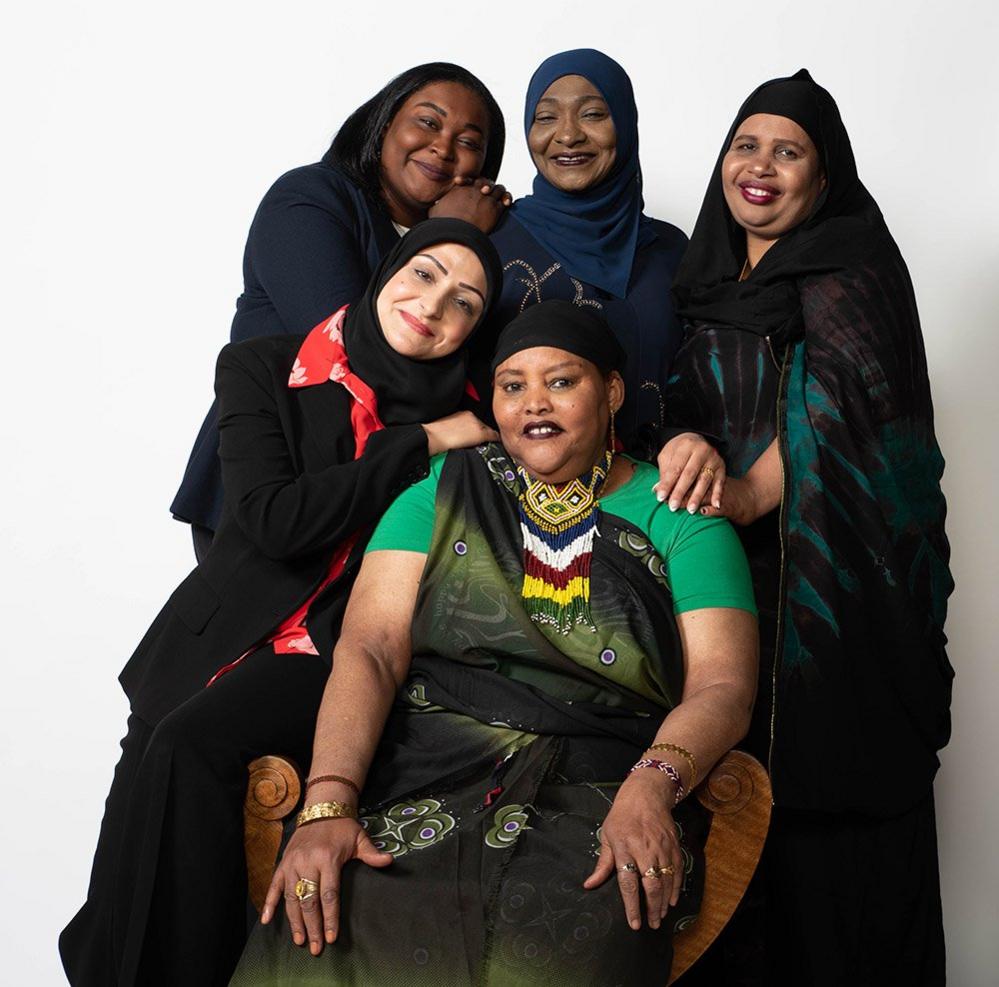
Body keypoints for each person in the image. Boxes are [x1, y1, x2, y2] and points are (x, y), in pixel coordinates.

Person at [229, 300, 759, 986]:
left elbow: (723, 686)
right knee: (328, 924)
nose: (533, 403)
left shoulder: (680, 511)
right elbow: (369, 648)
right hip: (426, 775)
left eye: (561, 381)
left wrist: (651, 787)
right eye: (512, 385)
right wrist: (329, 802)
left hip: (604, 787)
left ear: (613, 392)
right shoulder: (440, 491)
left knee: (557, 948)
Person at [59, 219, 504, 987]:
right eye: (424, 273)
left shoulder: (478, 421)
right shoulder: (264, 366)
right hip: (210, 638)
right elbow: (271, 520)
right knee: (118, 888)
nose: (433, 305)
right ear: (388, 268)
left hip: (330, 653)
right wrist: (419, 440)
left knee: (189, 749)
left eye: (463, 301)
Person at [662, 70, 953, 985]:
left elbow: (845, 409)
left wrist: (750, 491)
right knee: (719, 788)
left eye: (787, 152)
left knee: (827, 816)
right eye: (745, 145)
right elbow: (664, 392)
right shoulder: (702, 276)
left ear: (821, 179)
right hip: (714, 570)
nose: (759, 167)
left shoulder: (852, 265)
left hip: (832, 587)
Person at [171, 62, 511, 557]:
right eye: (429, 122)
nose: (443, 147)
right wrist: (457, 234)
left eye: (469, 142)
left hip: (383, 494)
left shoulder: (474, 259)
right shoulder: (308, 199)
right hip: (274, 487)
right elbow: (357, 349)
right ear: (384, 122)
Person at [485, 50, 698, 461]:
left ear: (626, 123)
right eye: (545, 117)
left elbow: (702, 383)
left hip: (656, 494)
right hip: (513, 498)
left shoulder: (672, 250)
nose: (567, 135)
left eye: (593, 114)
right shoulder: (491, 238)